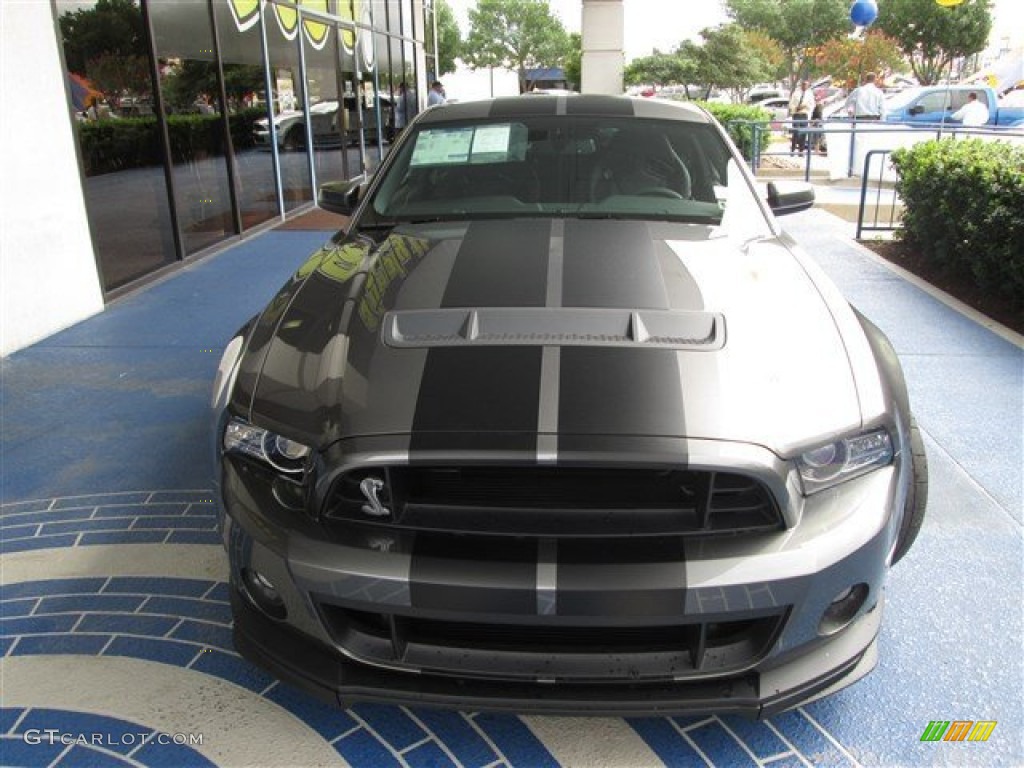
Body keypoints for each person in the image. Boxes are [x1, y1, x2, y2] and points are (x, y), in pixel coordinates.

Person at [788, 79, 815, 154]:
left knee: (803, 133)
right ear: (801, 85)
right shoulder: (796, 93)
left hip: (804, 114)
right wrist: (795, 108)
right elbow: (791, 104)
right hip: (796, 114)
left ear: (808, 86)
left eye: (806, 85)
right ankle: (793, 149)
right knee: (795, 132)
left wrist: (804, 107)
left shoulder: (810, 94)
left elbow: (812, 105)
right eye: (803, 84)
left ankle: (801, 151)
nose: (804, 86)